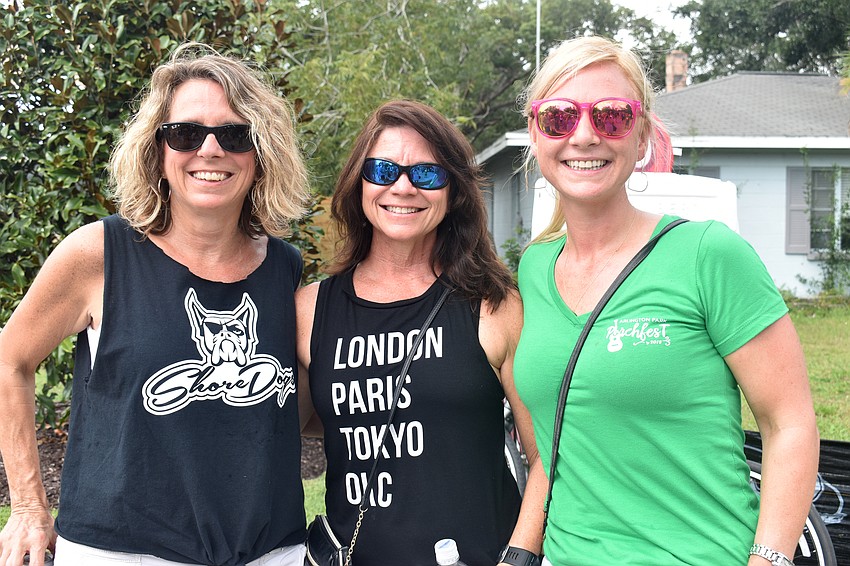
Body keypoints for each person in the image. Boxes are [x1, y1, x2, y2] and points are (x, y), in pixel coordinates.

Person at [513, 36, 820, 566]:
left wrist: (769, 559)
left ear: (642, 141)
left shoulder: (708, 254)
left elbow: (789, 422)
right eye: (559, 117)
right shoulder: (534, 269)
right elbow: (551, 449)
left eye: (610, 116)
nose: (583, 135)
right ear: (537, 137)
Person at [0, 42, 310, 566]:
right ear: (157, 151)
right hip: (123, 552)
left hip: (268, 550)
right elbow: (11, 360)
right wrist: (29, 505)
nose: (210, 150)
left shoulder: (287, 270)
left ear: (262, 155)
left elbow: (292, 409)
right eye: (186, 133)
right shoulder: (99, 254)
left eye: (235, 135)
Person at [295, 99, 545, 566]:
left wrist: (520, 556)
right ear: (358, 182)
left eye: (427, 175)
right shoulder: (308, 311)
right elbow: (296, 428)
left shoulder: (492, 304)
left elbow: (544, 459)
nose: (403, 187)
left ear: (453, 192)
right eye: (384, 170)